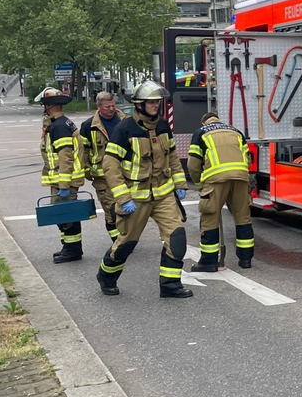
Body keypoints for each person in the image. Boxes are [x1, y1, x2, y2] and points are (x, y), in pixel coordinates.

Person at [97, 80, 193, 298]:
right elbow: (110, 165)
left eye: (157, 102)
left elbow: (172, 157)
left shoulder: (162, 126)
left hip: (163, 195)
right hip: (135, 198)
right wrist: (123, 197)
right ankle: (106, 276)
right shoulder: (125, 129)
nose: (155, 105)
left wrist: (180, 183)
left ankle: (170, 285)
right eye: (151, 102)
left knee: (176, 238)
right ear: (139, 104)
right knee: (126, 244)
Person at [187, 112, 255, 270]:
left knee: (210, 218)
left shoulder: (201, 133)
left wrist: (200, 185)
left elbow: (193, 165)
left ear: (204, 122)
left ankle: (209, 261)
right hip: (240, 177)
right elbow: (248, 158)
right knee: (243, 218)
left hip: (215, 179)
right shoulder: (236, 131)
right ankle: (245, 260)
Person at [37, 87, 87, 263]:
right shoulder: (62, 123)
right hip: (62, 181)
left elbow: (65, 158)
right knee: (64, 216)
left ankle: (73, 250)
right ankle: (68, 247)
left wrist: (64, 186)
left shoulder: (58, 127)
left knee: (67, 217)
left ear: (49, 106)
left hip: (64, 182)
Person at [79, 91, 123, 244]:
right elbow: (83, 151)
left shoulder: (125, 121)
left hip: (125, 173)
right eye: (107, 107)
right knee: (111, 210)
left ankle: (125, 238)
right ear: (98, 107)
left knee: (126, 207)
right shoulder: (88, 126)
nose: (111, 109)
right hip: (102, 177)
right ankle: (117, 242)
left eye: (113, 106)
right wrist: (86, 171)